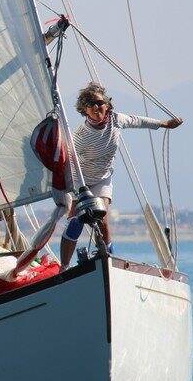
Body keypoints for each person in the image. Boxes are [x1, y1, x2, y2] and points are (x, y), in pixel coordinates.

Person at [59, 82, 183, 269]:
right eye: (90, 104)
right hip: (81, 181)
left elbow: (137, 121)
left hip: (102, 179)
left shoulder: (116, 120)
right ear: (85, 110)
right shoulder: (80, 135)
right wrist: (79, 192)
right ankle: (64, 267)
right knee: (75, 223)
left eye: (100, 102)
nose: (96, 107)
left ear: (107, 105)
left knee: (103, 221)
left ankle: (108, 261)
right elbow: (70, 165)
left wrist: (164, 124)